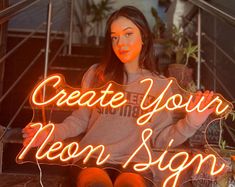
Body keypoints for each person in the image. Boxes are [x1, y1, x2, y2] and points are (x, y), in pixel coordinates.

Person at [22, 6, 215, 187]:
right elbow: (79, 121)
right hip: (92, 158)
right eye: (115, 37)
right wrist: (50, 133)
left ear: (144, 37)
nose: (120, 43)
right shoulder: (96, 75)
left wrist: (191, 123)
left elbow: (160, 139)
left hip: (135, 162)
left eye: (128, 34)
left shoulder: (161, 85)